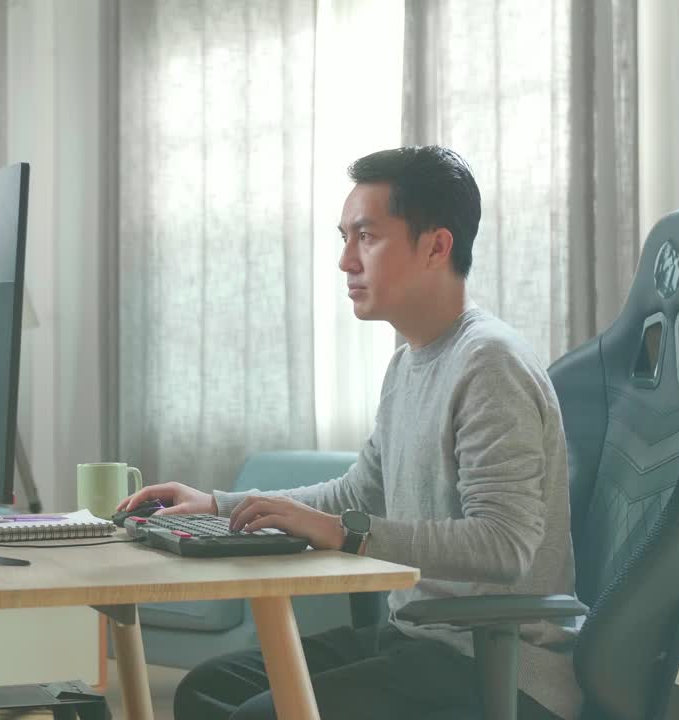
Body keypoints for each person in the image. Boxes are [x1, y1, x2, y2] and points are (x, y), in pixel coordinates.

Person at [116, 146, 580, 720]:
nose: (345, 261)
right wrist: (215, 503)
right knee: (206, 692)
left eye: (367, 237)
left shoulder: (490, 365)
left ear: (437, 245)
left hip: (496, 670)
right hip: (417, 641)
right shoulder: (409, 362)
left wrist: (344, 534)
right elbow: (359, 494)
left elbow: (505, 546)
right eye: (344, 238)